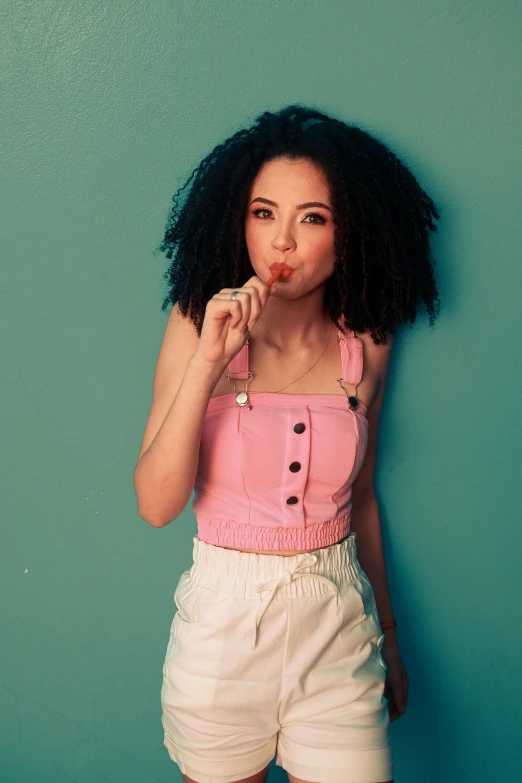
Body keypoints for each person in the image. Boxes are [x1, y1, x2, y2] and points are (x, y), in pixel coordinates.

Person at [133, 104, 441, 783]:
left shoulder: (369, 344)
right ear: (236, 218)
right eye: (264, 213)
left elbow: (360, 500)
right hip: (220, 642)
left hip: (337, 634)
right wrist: (207, 363)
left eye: (313, 218)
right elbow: (156, 504)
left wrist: (389, 638)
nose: (281, 243)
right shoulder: (196, 324)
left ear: (347, 231)